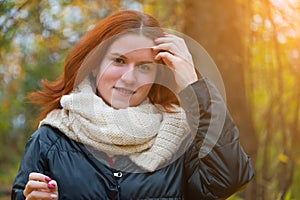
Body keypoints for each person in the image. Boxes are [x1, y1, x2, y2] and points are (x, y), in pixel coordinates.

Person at [11, 10, 254, 200]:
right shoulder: (50, 139)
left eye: (144, 67)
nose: (129, 77)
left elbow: (229, 179)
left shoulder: (181, 137)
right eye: (119, 60)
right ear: (95, 64)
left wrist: (193, 82)